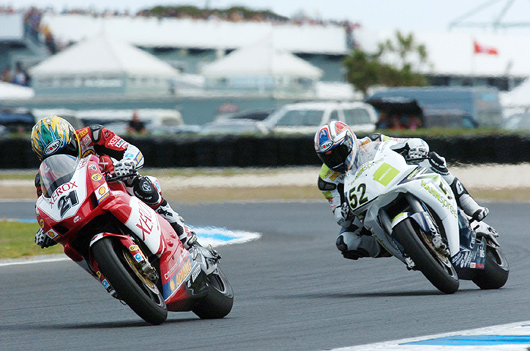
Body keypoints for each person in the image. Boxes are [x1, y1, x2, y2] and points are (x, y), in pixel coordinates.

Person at [314, 121, 489, 260]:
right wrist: (343, 212)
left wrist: (414, 148)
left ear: (350, 140)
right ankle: (403, 246)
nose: (335, 160)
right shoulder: (326, 179)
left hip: (393, 179)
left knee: (433, 160)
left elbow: (405, 143)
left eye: (339, 151)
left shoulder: (371, 141)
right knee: (346, 242)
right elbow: (338, 214)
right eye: (328, 157)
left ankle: (469, 206)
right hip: (363, 206)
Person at [31, 116, 198, 250]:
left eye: (67, 150)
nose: (64, 157)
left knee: (138, 183)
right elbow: (46, 205)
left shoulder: (93, 135)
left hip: (113, 183)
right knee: (70, 242)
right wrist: (46, 230)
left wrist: (128, 163)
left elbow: (131, 150)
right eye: (54, 157)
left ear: (73, 137)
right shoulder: (43, 176)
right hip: (83, 204)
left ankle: (182, 232)